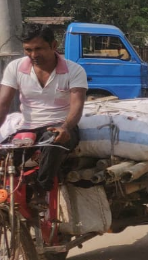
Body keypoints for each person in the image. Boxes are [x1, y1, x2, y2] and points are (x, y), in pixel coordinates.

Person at [0, 24, 88, 188]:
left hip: (60, 127)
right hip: (27, 128)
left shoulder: (74, 70)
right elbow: (3, 104)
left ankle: (43, 188)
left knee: (52, 142)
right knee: (5, 157)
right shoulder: (15, 67)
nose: (33, 55)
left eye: (38, 49)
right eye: (28, 50)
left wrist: (65, 128)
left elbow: (77, 107)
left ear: (53, 45)